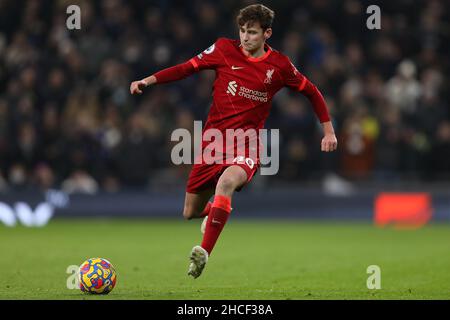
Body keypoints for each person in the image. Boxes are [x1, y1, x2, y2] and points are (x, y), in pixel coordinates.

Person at [130, 4, 338, 279]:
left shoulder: (279, 65)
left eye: (252, 32)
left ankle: (203, 253)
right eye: (242, 31)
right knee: (189, 212)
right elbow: (185, 69)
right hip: (213, 143)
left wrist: (329, 130)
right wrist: (148, 80)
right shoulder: (222, 50)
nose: (245, 37)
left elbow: (311, 92)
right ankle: (215, 211)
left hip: (247, 144)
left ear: (267, 33)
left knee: (227, 183)